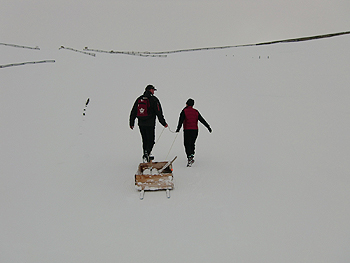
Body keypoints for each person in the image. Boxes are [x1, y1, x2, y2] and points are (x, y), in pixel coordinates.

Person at [130, 84, 168, 162]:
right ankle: (147, 153)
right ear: (150, 90)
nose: (154, 91)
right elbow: (159, 112)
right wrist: (163, 123)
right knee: (151, 140)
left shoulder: (139, 99)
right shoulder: (154, 99)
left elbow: (133, 111)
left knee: (144, 139)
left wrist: (131, 122)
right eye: (153, 90)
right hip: (150, 124)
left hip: (141, 123)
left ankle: (145, 155)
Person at [176, 98, 212, 167]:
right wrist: (208, 127)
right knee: (192, 143)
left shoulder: (184, 111)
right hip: (195, 130)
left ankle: (189, 157)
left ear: (186, 104)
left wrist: (178, 128)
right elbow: (202, 120)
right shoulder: (196, 111)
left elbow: (181, 120)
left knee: (187, 143)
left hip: (187, 130)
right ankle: (192, 155)